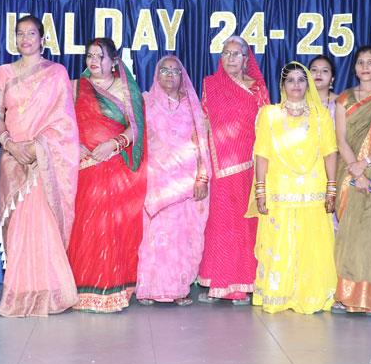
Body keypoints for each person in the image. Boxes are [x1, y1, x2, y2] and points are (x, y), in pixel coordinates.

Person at [0, 15, 79, 317]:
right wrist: (10, 144)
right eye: (20, 33)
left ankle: (51, 292)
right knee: (18, 227)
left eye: (31, 33)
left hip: (44, 160)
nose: (25, 39)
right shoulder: (4, 73)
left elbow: (65, 122)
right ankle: (20, 293)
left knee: (43, 225)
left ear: (43, 39)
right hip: (12, 158)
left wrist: (35, 147)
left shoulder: (56, 73)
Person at [250, 62, 338, 313]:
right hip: (279, 189)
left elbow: (330, 152)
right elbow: (262, 154)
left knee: (312, 244)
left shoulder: (320, 115)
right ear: (282, 85)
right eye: (291, 80)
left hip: (313, 189)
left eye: (301, 79)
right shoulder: (269, 114)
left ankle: (311, 296)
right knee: (279, 243)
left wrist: (331, 188)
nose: (296, 85)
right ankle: (279, 295)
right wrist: (260, 190)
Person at [68, 38, 147, 313]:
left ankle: (112, 288)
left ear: (114, 61)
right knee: (84, 226)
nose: (93, 61)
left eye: (99, 56)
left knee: (109, 227)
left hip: (115, 167)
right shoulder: (76, 87)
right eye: (89, 55)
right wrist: (73, 144)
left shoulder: (126, 89)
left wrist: (114, 144)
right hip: (83, 167)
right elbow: (63, 123)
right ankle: (81, 288)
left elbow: (137, 128)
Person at [198, 36, 270, 304]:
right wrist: (203, 169)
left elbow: (266, 127)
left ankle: (244, 282)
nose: (230, 58)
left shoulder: (257, 88)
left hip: (248, 167)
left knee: (245, 226)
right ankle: (218, 282)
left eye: (236, 54)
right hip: (218, 168)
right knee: (220, 226)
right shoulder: (210, 84)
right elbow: (204, 124)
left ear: (246, 58)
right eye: (226, 53)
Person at [136, 56, 211, 306]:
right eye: (164, 70)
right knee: (155, 236)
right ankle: (150, 288)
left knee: (183, 237)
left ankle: (179, 289)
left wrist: (202, 177)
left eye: (175, 71)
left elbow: (202, 144)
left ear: (182, 77)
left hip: (186, 183)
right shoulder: (146, 102)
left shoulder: (191, 105)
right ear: (156, 74)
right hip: (156, 182)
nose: (170, 75)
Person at [333, 46, 371, 314]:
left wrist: (366, 163)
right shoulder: (344, 99)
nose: (365, 67)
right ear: (355, 67)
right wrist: (356, 172)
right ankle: (348, 295)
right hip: (350, 172)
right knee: (351, 232)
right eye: (361, 62)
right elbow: (340, 140)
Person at [309, 55, 339, 120]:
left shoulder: (340, 102)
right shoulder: (299, 101)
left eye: (325, 70)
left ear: (332, 79)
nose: (318, 73)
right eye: (314, 70)